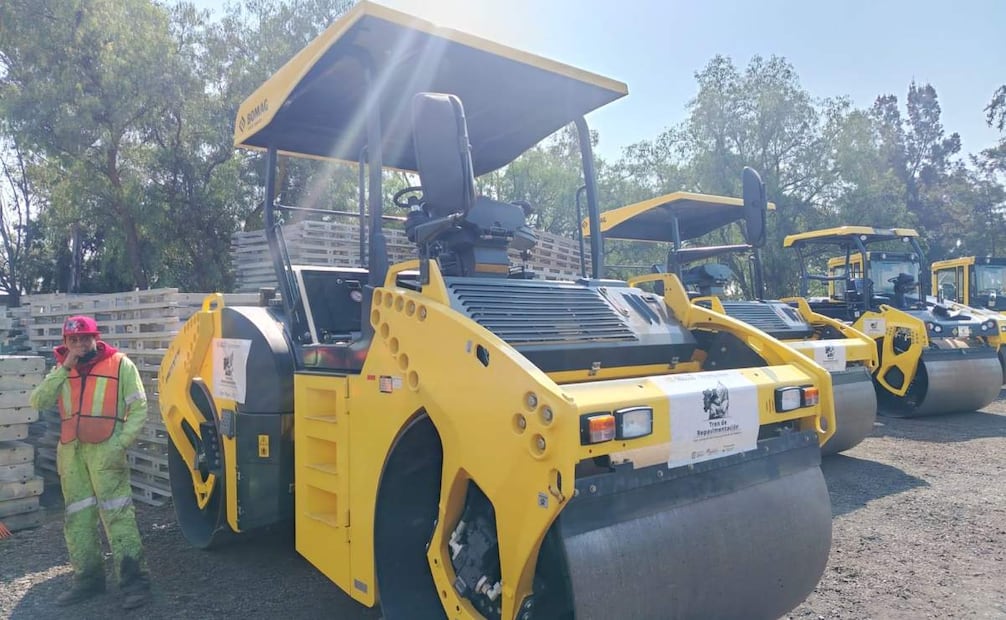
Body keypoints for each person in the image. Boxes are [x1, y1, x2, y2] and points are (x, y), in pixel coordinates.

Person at [29, 315, 151, 609]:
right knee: (78, 518)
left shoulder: (120, 364)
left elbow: (139, 407)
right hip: (72, 454)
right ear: (66, 342)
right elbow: (38, 401)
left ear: (96, 338)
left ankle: (135, 583)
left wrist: (120, 444)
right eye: (74, 340)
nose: (81, 344)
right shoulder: (62, 368)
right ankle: (88, 580)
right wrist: (65, 367)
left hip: (106, 450)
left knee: (118, 515)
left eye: (85, 338)